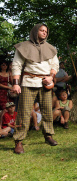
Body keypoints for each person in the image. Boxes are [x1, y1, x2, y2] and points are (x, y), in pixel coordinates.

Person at [12, 24, 59, 154]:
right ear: (35, 31)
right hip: (28, 82)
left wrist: (51, 77)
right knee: (24, 112)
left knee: (47, 111)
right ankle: (19, 141)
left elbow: (55, 64)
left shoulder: (50, 48)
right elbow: (16, 65)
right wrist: (16, 83)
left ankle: (48, 135)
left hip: (45, 83)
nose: (44, 32)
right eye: (41, 30)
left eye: (46, 31)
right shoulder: (23, 47)